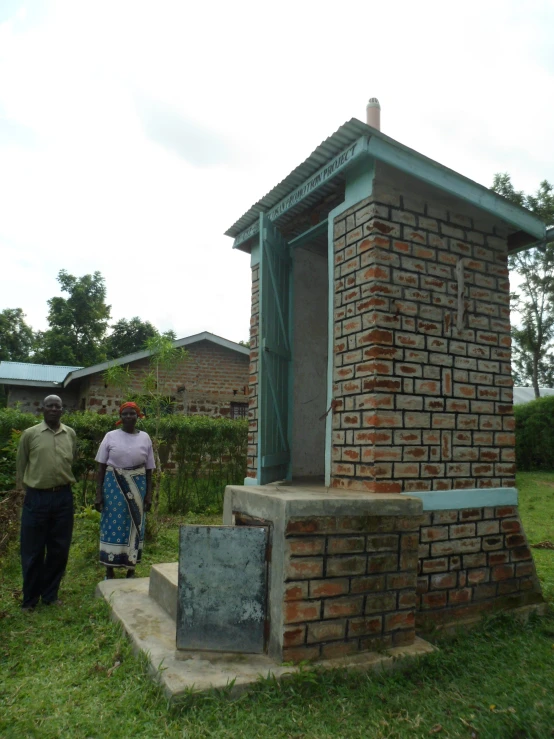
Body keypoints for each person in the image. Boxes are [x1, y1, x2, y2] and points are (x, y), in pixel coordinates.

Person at [16, 395, 77, 612]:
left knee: (59, 549)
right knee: (32, 551)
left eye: (57, 406)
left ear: (62, 410)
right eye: (49, 406)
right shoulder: (30, 434)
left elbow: (72, 460)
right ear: (42, 408)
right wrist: (23, 493)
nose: (53, 409)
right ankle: (30, 599)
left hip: (63, 498)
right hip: (36, 498)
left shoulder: (70, 434)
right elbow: (21, 467)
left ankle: (50, 595)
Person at [94, 401, 155, 579]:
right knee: (111, 522)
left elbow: (150, 469)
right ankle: (109, 568)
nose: (128, 417)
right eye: (125, 414)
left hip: (138, 485)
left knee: (135, 524)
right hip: (113, 486)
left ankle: (131, 568)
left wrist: (149, 495)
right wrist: (99, 494)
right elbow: (101, 468)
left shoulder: (145, 438)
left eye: (132, 414)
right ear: (120, 417)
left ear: (138, 416)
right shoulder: (110, 436)